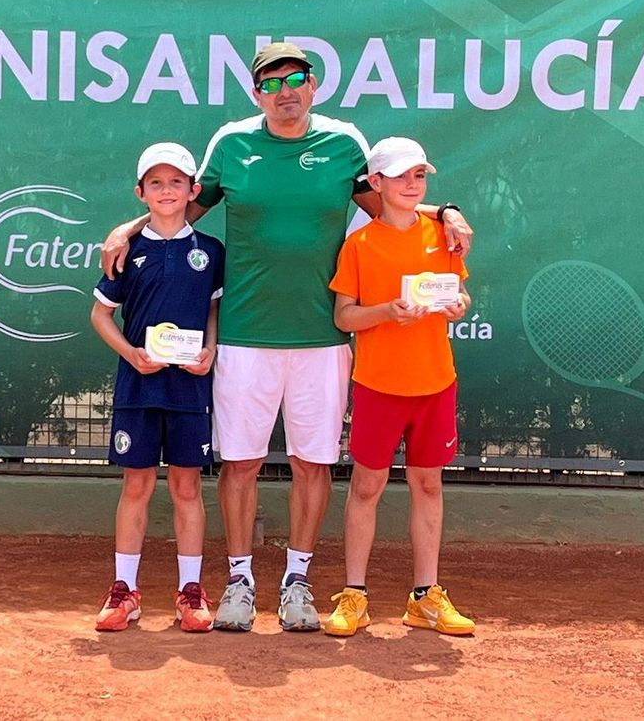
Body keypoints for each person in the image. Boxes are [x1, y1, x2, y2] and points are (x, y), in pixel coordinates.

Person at [100, 43, 473, 633]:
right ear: (257, 94)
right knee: (240, 464)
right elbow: (178, 210)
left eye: (296, 79)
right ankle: (241, 582)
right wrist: (128, 225)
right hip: (245, 338)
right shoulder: (231, 144)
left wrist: (444, 210)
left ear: (314, 85)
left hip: (322, 340)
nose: (285, 91)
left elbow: (394, 207)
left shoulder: (344, 144)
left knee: (311, 464)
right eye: (271, 83)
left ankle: (298, 579)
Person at [322, 136, 475, 637]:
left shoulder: (443, 235)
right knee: (366, 487)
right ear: (377, 183)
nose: (413, 184)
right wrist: (387, 312)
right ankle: (355, 595)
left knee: (428, 485)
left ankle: (425, 597)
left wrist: (459, 306)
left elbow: (459, 295)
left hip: (435, 383)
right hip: (377, 386)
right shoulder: (359, 245)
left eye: (420, 176)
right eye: (402, 176)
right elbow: (344, 315)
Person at [89, 143, 225, 633]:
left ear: (193, 190)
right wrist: (131, 355)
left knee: (188, 488)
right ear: (140, 192)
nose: (166, 191)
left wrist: (209, 351)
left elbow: (212, 310)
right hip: (138, 387)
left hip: (190, 388)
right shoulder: (127, 250)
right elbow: (100, 314)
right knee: (138, 485)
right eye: (155, 183)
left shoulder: (210, 251)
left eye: (176, 182)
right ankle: (124, 592)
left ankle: (191, 592)